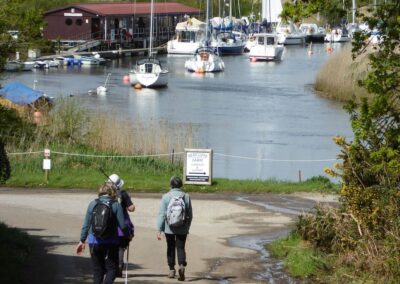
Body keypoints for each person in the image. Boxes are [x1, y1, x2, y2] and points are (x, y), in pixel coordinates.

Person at [76, 182, 131, 284]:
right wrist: (128, 236)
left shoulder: (93, 204)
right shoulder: (116, 205)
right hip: (111, 241)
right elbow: (122, 226)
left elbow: (86, 224)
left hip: (94, 241)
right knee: (112, 268)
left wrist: (82, 240)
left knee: (98, 270)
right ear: (112, 192)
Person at [156, 176, 193, 281]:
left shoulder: (166, 197)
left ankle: (171, 270)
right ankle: (182, 265)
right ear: (181, 185)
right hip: (182, 228)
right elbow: (190, 215)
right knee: (181, 247)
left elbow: (162, 215)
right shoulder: (186, 196)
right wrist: (187, 227)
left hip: (169, 228)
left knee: (170, 247)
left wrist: (159, 229)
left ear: (171, 185)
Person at [107, 174, 135, 277]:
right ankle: (119, 267)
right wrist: (131, 207)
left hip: (109, 225)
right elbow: (131, 208)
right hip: (122, 225)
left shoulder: (107, 194)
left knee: (110, 247)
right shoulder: (123, 194)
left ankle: (111, 268)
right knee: (121, 247)